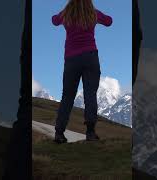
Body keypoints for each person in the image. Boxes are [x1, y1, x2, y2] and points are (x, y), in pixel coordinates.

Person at [52, 0, 113, 143]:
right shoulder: (93, 13)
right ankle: (90, 132)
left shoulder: (67, 14)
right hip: (90, 57)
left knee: (67, 96)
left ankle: (59, 133)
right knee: (90, 94)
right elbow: (109, 21)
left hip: (71, 60)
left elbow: (54, 20)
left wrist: (65, 10)